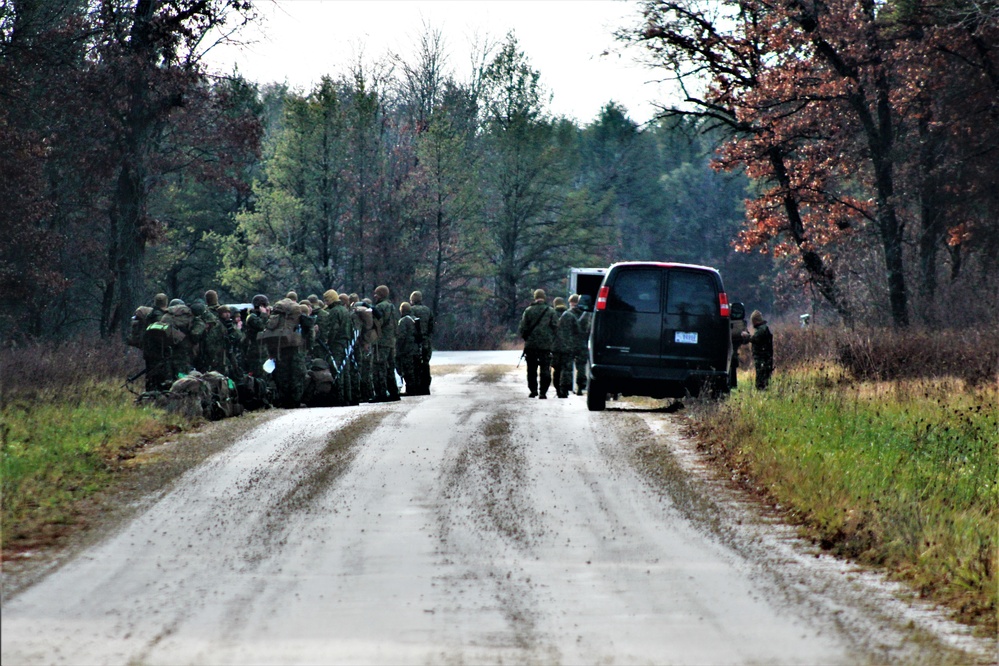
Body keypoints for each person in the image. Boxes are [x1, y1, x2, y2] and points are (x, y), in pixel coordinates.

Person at [518, 289, 559, 399]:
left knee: (531, 369)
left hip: (531, 345)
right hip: (546, 346)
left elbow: (522, 328)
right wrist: (550, 339)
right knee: (545, 369)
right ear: (544, 297)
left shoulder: (528, 310)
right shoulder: (551, 311)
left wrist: (527, 338)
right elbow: (556, 327)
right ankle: (543, 392)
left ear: (535, 297)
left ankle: (533, 390)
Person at [372, 285, 400, 402]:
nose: (375, 296)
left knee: (379, 367)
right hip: (391, 342)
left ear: (382, 295)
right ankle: (394, 392)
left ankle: (381, 394)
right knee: (390, 368)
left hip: (381, 342)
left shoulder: (379, 307)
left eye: (377, 294)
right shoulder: (392, 306)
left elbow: (379, 323)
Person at [552, 296, 579, 399]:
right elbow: (577, 330)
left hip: (555, 347)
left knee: (556, 369)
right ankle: (564, 390)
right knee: (566, 369)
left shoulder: (551, 314)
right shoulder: (570, 315)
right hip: (568, 347)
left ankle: (558, 389)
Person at [408, 290, 434, 395]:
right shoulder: (427, 310)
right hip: (426, 340)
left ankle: (416, 387)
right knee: (425, 363)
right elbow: (431, 326)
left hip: (415, 341)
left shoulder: (411, 310)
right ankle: (425, 386)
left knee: (415, 364)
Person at [396, 302, 421, 396]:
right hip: (415, 348)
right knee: (415, 369)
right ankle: (416, 388)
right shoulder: (415, 319)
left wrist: (398, 348)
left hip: (406, 349)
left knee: (407, 370)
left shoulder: (403, 321)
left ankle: (410, 390)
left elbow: (401, 336)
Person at [567, 294, 589, 395]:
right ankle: (580, 387)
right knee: (581, 367)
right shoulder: (587, 314)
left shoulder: (568, 314)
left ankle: (567, 387)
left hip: (570, 343)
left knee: (568, 366)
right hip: (582, 343)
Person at [746, 310, 773, 390]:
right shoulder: (763, 328)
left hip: (762, 356)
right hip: (764, 356)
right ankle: (763, 388)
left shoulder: (761, 329)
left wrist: (746, 336)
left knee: (761, 373)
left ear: (755, 320)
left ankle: (761, 388)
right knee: (764, 373)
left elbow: (755, 339)